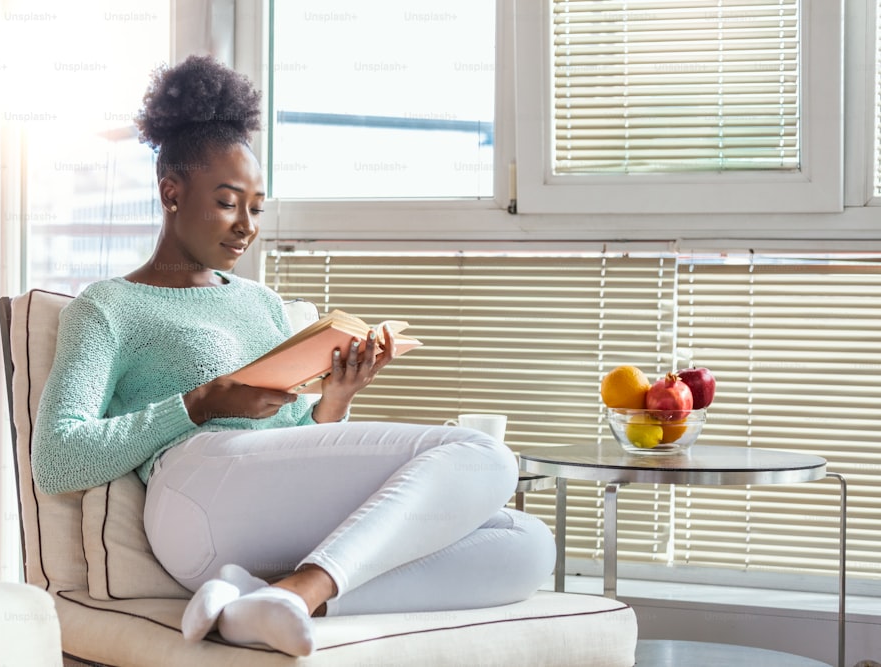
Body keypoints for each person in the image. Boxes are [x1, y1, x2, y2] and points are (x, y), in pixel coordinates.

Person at [31, 54, 556, 658]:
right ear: (170, 192)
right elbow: (58, 459)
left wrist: (333, 401)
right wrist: (199, 404)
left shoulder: (263, 304)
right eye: (228, 202)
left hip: (271, 506)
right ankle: (295, 593)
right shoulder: (109, 306)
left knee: (525, 544)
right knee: (483, 455)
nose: (246, 225)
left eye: (257, 207)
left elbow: (293, 442)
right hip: (194, 496)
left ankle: (261, 597)